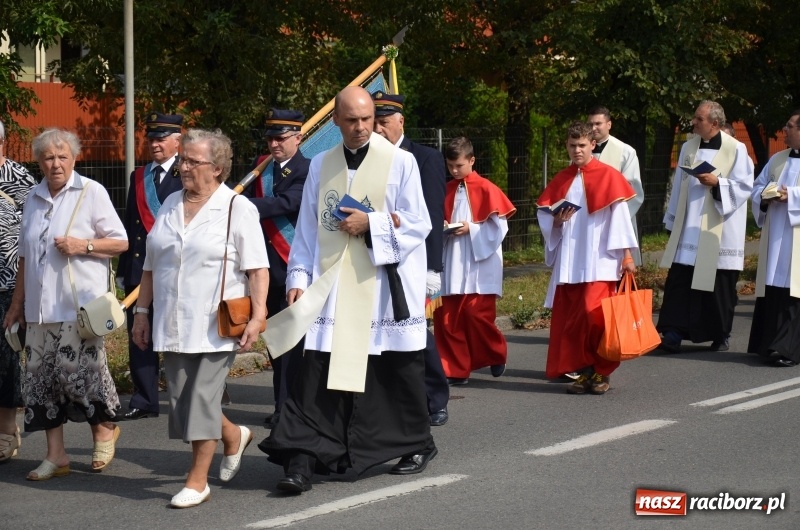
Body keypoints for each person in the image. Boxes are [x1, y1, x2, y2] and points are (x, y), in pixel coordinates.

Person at [257, 86, 436, 494]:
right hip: (333, 288)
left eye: (367, 119)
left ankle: (416, 443)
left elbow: (418, 223)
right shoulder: (321, 165)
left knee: (392, 372)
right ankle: (301, 459)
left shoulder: (401, 162)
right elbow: (308, 228)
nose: (360, 128)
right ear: (335, 121)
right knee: (314, 373)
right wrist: (299, 279)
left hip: (380, 290)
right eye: (351, 120)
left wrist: (370, 225)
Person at [130, 129, 269, 508]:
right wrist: (141, 312)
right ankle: (234, 435)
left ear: (219, 168)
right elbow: (151, 265)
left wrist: (258, 316)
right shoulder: (171, 203)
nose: (183, 167)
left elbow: (258, 270)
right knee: (182, 401)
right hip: (172, 322)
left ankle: (197, 481)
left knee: (202, 400)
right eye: (184, 160)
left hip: (215, 325)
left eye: (193, 161)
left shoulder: (238, 209)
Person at [2, 128, 128, 479]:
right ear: (39, 161)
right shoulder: (33, 197)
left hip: (79, 308)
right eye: (47, 157)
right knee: (40, 383)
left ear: (74, 158)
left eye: (62, 157)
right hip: (39, 310)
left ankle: (104, 431)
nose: (55, 164)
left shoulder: (91, 192)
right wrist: (16, 304)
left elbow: (120, 242)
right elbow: (25, 255)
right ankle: (56, 455)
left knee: (81, 379)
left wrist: (82, 246)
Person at [537, 121, 638, 394]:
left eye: (582, 145)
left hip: (600, 260)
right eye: (572, 146)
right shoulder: (561, 179)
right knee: (574, 320)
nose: (577, 150)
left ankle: (601, 371)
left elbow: (620, 219)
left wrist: (626, 256)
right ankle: (584, 372)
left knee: (597, 318)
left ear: (593, 144)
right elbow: (546, 218)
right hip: (570, 260)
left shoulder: (609, 176)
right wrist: (556, 221)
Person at [372, 91, 450, 426]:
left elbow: (431, 214)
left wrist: (434, 266)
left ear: (400, 121)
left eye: (384, 122)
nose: (378, 129)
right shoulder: (367, 157)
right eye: (374, 122)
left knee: (414, 330)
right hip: (375, 257)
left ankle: (435, 398)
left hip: (411, 262)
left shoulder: (424, 158)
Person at [658, 101, 754, 353]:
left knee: (718, 284)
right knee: (681, 278)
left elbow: (744, 187)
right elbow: (679, 184)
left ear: (715, 123)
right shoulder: (688, 146)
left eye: (699, 119)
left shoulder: (736, 148)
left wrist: (718, 183)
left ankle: (719, 334)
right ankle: (672, 331)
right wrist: (673, 220)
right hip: (689, 225)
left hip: (719, 227)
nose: (694, 122)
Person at [115, 112, 184, 421]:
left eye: (161, 138)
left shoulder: (188, 172)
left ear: (178, 140)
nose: (154, 144)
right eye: (152, 138)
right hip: (140, 269)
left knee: (175, 335)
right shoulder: (139, 175)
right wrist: (123, 269)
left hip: (172, 270)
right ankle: (144, 399)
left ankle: (187, 396)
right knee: (139, 335)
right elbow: (132, 224)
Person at [434, 136, 516, 386]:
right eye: (450, 166)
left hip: (478, 261)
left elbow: (499, 227)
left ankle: (495, 352)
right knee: (447, 318)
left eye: (459, 165)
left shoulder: (487, 188)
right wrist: (444, 227)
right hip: (452, 258)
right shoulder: (445, 189)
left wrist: (471, 228)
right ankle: (455, 369)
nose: (454, 170)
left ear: (472, 160)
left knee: (475, 315)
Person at [246, 109, 309, 428]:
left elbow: (289, 203)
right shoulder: (261, 169)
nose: (274, 144)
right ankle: (281, 404)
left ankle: (293, 408)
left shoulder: (307, 169)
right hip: (264, 271)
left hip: (293, 268)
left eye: (281, 138)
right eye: (270, 138)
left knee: (294, 343)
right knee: (275, 343)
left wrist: (242, 205)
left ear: (298, 137)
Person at [747, 110, 800, 367]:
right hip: (777, 234)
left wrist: (793, 195)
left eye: (790, 126)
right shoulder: (777, 159)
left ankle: (787, 348)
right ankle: (769, 344)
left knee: (795, 290)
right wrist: (764, 196)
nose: (785, 130)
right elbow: (756, 187)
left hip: (797, 236)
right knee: (776, 288)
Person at [0, 119, 37, 462]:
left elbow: (35, 234)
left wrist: (22, 295)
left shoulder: (20, 180)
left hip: (8, 284)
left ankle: (8, 430)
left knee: (7, 358)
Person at [588, 106, 644, 265]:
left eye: (598, 123)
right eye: (590, 124)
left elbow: (634, 191)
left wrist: (615, 215)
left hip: (615, 220)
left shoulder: (626, 152)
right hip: (589, 220)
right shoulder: (582, 150)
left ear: (609, 125)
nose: (593, 128)